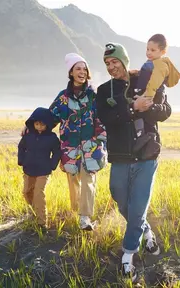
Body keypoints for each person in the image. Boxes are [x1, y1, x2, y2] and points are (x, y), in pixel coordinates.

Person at [96, 43, 172, 281]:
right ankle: (146, 230)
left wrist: (148, 106)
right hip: (119, 156)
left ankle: (128, 255)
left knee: (138, 205)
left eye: (114, 61)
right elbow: (107, 118)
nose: (111, 67)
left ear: (124, 60)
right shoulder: (103, 90)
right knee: (121, 200)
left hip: (147, 155)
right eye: (107, 64)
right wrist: (131, 107)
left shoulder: (146, 80)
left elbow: (165, 111)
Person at [48, 53, 107, 231]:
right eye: (78, 68)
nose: (82, 72)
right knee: (73, 181)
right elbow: (50, 117)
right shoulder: (63, 97)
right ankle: (76, 211)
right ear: (71, 73)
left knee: (89, 179)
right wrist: (30, 127)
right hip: (70, 148)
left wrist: (101, 141)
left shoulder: (95, 95)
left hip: (91, 146)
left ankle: (85, 217)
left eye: (84, 68)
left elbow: (103, 119)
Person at [18, 107, 61, 230]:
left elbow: (57, 152)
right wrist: (22, 161)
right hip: (29, 168)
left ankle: (42, 223)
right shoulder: (28, 136)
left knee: (38, 193)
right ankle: (35, 212)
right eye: (36, 124)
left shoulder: (52, 138)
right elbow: (21, 147)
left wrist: (52, 165)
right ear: (33, 123)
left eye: (42, 124)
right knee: (26, 192)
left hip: (44, 170)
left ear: (48, 124)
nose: (39, 126)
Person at [133, 34, 180, 144]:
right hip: (149, 93)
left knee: (147, 120)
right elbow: (147, 75)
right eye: (147, 49)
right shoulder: (153, 63)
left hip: (153, 95)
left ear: (163, 51)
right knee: (143, 119)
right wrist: (137, 73)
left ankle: (145, 138)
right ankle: (142, 136)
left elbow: (153, 83)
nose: (149, 52)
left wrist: (146, 98)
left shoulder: (160, 65)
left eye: (153, 50)